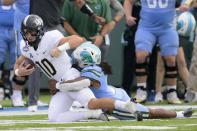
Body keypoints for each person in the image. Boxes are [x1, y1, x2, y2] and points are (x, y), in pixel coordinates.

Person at [15, 14, 138, 122]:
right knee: (54, 117)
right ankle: (91, 115)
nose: (29, 36)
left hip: (71, 77)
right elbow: (19, 62)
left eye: (32, 32)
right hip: (61, 84)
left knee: (91, 103)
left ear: (40, 31)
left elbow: (79, 39)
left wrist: (60, 48)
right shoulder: (24, 46)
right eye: (26, 32)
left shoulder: (50, 38)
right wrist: (18, 71)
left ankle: (125, 105)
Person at [65, 42, 193, 120]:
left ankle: (179, 114)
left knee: (150, 113)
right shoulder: (95, 67)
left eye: (77, 58)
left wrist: (61, 84)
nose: (75, 61)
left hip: (118, 103)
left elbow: (77, 83)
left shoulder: (91, 71)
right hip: (116, 94)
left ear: (85, 59)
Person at [125, 0, 184, 104]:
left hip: (167, 28)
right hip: (146, 27)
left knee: (170, 58)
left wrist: (185, 4)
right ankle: (141, 90)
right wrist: (128, 16)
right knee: (140, 55)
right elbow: (128, 1)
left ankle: (172, 92)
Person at [0, 2, 15, 108]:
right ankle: (2, 86)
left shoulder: (20, 4)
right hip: (0, 31)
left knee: (16, 56)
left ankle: (11, 85)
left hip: (15, 31)